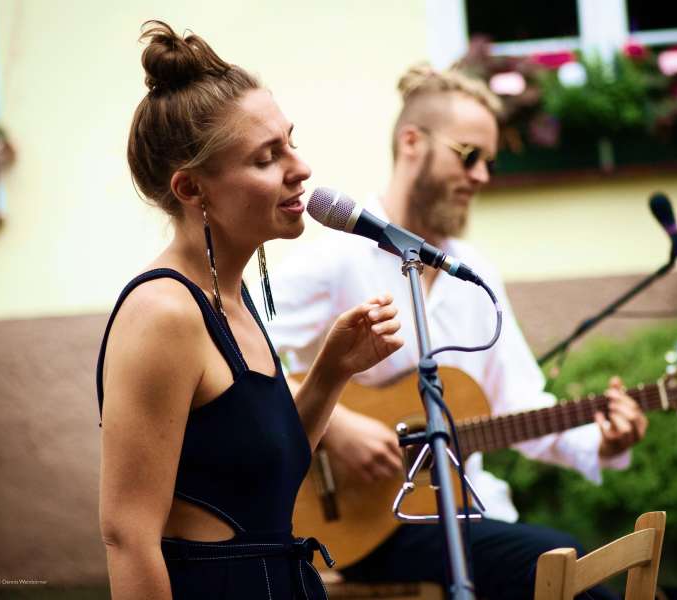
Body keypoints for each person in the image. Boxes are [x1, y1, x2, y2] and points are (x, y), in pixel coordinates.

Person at [269, 64, 649, 600]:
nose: (482, 176)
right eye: (469, 155)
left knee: (564, 567)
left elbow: (520, 403)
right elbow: (240, 356)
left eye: (489, 161)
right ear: (412, 143)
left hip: (462, 510)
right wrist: (337, 426)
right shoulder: (334, 260)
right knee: (555, 560)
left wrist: (601, 440)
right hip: (355, 527)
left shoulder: (473, 274)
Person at [96, 21, 404, 600]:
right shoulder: (164, 314)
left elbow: (266, 481)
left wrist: (332, 371)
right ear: (192, 190)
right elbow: (127, 536)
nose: (300, 168)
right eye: (267, 157)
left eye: (291, 141)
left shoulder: (230, 300)